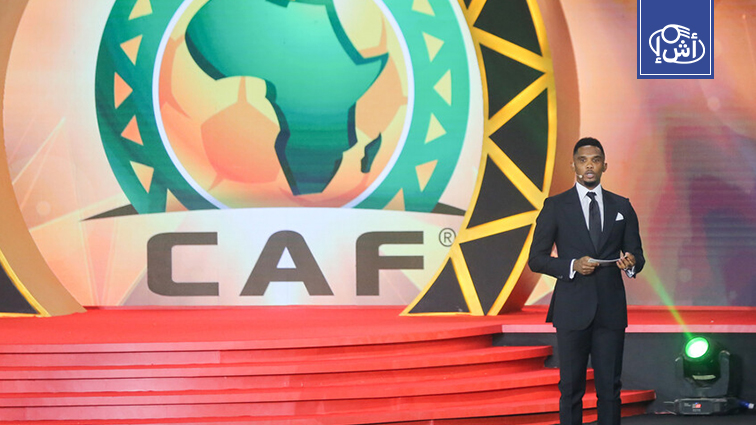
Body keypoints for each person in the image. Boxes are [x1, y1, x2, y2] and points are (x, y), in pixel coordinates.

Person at [528, 137, 645, 425]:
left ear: (605, 165)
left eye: (595, 160)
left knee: (610, 388)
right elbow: (536, 259)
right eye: (583, 160)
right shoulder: (555, 206)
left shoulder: (622, 206)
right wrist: (572, 265)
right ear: (573, 166)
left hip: (610, 309)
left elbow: (637, 254)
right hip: (571, 309)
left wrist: (631, 264)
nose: (589, 166)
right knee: (570, 389)